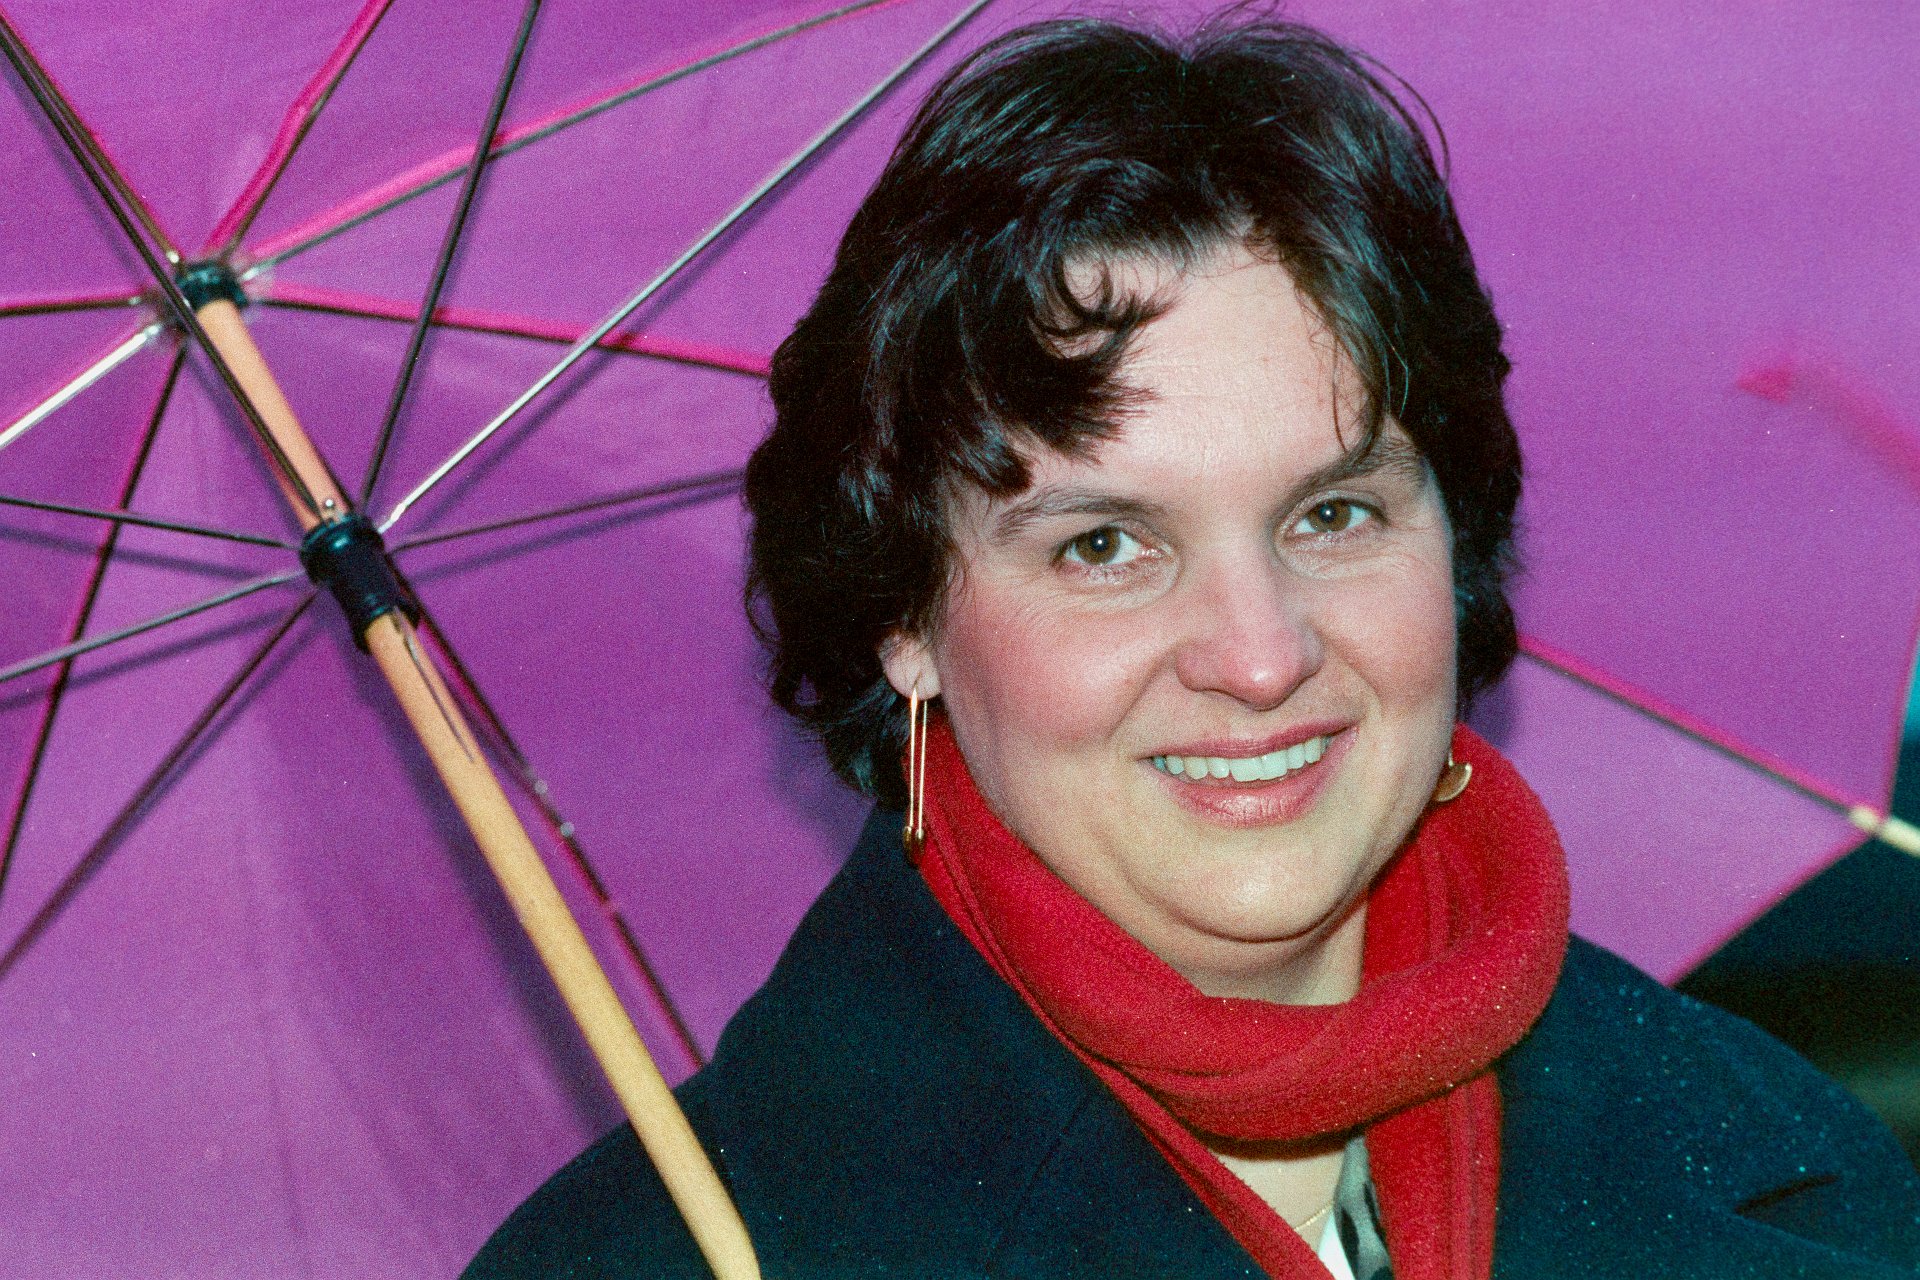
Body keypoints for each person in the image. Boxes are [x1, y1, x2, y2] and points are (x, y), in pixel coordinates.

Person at [468, 14, 1920, 1278]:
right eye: (1107, 546)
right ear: (906, 619)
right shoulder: (668, 1256)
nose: (1260, 654)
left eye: (1334, 514)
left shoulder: (1796, 1172)